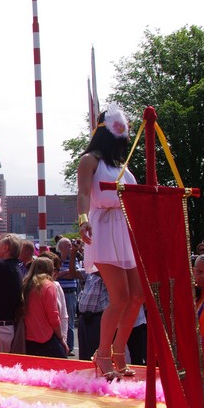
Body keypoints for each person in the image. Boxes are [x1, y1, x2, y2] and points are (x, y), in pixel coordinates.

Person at [76, 104, 144, 381]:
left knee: (137, 296)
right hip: (103, 227)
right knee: (120, 297)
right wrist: (83, 219)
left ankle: (118, 351)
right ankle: (103, 353)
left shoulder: (121, 166)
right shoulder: (89, 160)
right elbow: (82, 193)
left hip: (125, 229)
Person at [19, 256, 69, 358]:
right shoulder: (49, 286)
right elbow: (53, 316)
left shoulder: (25, 285)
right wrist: (61, 338)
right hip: (46, 338)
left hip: (28, 338)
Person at [56, 237, 84, 354]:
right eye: (68, 245)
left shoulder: (74, 259)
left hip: (70, 293)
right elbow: (55, 274)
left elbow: (74, 274)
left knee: (69, 320)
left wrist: (62, 273)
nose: (70, 247)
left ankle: (69, 347)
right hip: (59, 292)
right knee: (58, 319)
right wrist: (66, 272)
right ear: (61, 247)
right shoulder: (56, 259)